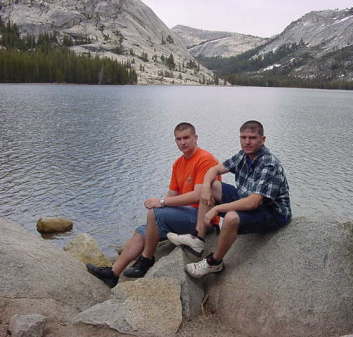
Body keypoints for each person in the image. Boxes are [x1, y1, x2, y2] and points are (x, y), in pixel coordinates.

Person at [86, 122, 219, 287]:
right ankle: (113, 273)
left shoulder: (205, 159)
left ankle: (146, 260)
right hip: (182, 218)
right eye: (178, 139)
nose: (182, 142)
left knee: (155, 214)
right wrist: (159, 205)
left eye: (186, 138)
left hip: (202, 219)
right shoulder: (178, 163)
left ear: (195, 138)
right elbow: (172, 194)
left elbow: (199, 195)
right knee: (143, 230)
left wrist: (161, 204)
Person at [167, 120, 291, 278]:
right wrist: (205, 187)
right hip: (248, 199)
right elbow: (215, 169)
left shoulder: (269, 164)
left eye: (252, 138)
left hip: (273, 212)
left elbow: (254, 202)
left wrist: (217, 209)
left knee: (231, 218)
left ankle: (214, 262)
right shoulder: (244, 155)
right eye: (243, 137)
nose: (247, 142)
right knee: (213, 185)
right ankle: (198, 240)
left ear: (263, 139)